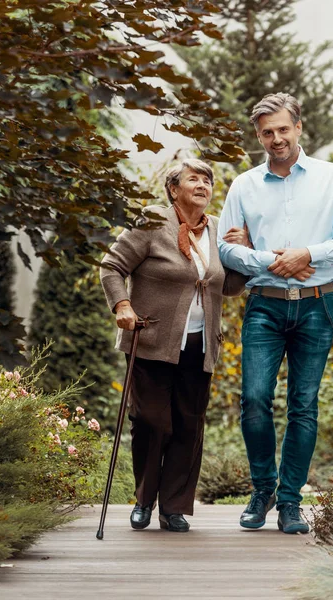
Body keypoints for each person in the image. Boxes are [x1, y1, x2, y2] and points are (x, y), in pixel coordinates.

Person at [218, 93, 333, 534]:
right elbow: (225, 247)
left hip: (318, 305)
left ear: (298, 127)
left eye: (283, 129)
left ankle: (290, 502)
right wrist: (271, 261)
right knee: (255, 401)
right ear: (259, 136)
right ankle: (262, 490)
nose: (276, 138)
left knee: (303, 405)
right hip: (264, 306)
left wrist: (307, 254)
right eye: (267, 132)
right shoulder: (244, 185)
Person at [100, 159, 248, 533]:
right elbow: (112, 266)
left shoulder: (216, 230)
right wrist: (122, 305)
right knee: (151, 421)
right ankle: (144, 501)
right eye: (193, 179)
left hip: (200, 345)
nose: (202, 185)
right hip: (151, 340)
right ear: (173, 189)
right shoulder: (152, 221)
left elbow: (227, 287)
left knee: (189, 424)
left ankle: (175, 507)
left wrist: (243, 257)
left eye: (207, 180)